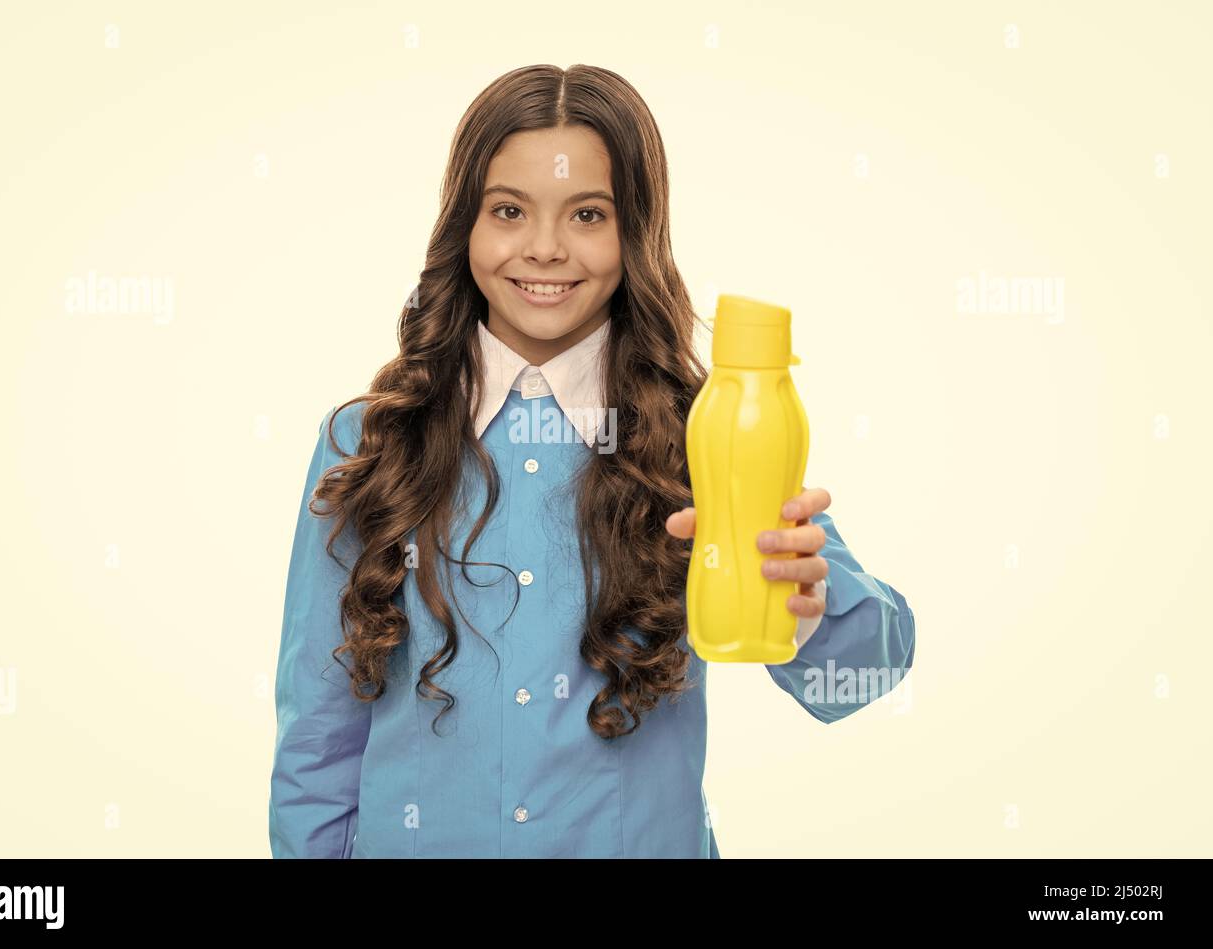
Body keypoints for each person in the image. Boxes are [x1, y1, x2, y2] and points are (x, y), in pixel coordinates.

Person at [269, 64, 915, 859]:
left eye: (587, 214)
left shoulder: (702, 432)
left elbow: (863, 678)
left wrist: (808, 604)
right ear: (464, 225)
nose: (544, 248)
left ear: (634, 232)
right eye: (509, 211)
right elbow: (318, 739)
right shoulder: (369, 441)